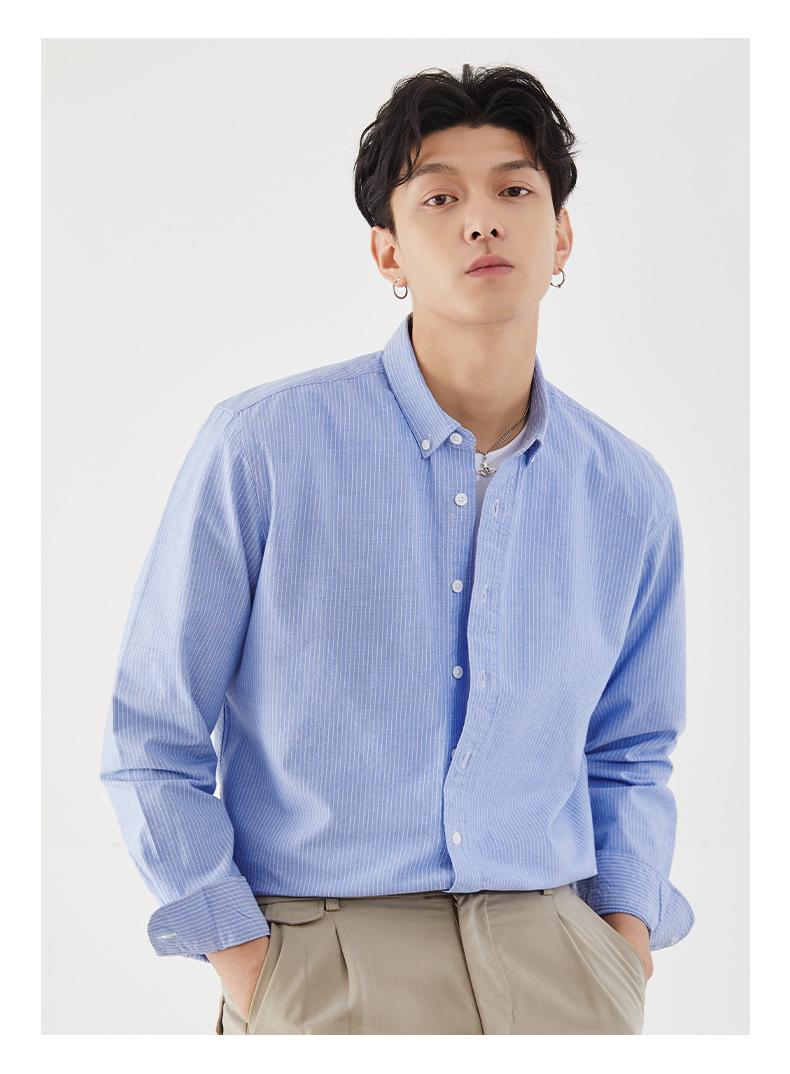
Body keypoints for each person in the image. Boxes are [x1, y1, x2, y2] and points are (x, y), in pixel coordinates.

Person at [99, 62, 694, 1035]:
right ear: (388, 251)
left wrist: (621, 945)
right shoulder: (263, 447)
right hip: (322, 960)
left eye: (514, 191)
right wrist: (252, 967)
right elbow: (151, 736)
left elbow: (631, 752)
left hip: (559, 965)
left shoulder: (628, 492)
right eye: (440, 199)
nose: (482, 222)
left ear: (561, 235)